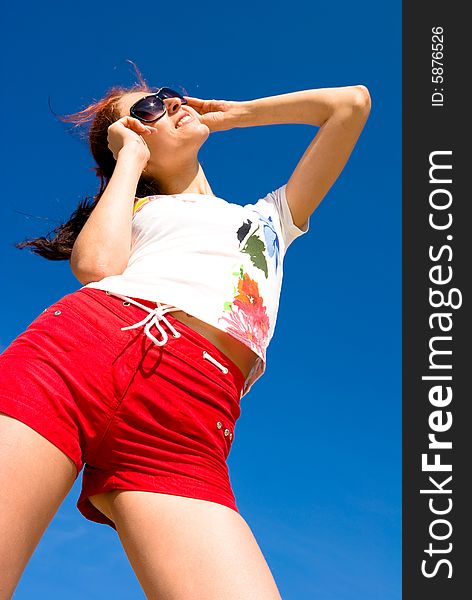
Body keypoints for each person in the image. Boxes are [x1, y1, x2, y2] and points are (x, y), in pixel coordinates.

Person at [0, 62, 371, 599]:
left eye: (170, 96)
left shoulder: (270, 220)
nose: (170, 105)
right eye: (147, 110)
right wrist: (128, 157)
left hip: (189, 417)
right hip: (80, 354)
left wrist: (231, 115)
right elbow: (97, 267)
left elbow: (350, 104)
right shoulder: (138, 206)